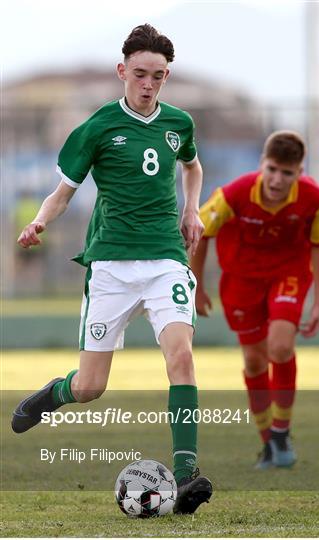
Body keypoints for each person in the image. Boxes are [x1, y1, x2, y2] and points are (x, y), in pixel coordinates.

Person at [12, 24, 212, 513]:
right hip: (111, 265)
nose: (148, 84)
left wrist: (191, 209)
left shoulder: (179, 124)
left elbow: (193, 165)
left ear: (167, 77)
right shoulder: (98, 127)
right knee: (90, 387)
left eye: (158, 77)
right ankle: (53, 395)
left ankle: (187, 478)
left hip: (166, 256)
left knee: (181, 357)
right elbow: (63, 194)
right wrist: (39, 222)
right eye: (140, 74)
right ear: (122, 71)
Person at [191, 131, 319, 469]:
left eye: (287, 172)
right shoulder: (233, 195)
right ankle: (269, 442)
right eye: (272, 169)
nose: (277, 179)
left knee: (280, 348)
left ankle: (281, 432)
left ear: (299, 172)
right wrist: (197, 286)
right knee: (254, 362)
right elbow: (200, 231)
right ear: (261, 165)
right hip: (241, 280)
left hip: (288, 275)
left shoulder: (313, 198)